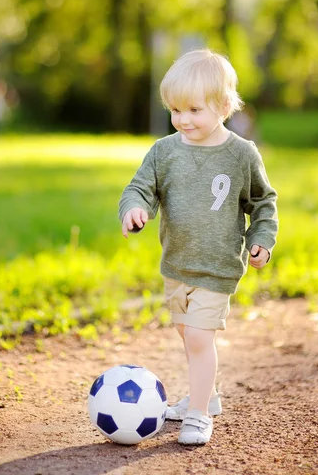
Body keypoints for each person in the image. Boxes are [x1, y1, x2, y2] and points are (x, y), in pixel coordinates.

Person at [118, 48, 278, 446]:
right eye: (175, 110)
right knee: (185, 333)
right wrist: (134, 207)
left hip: (217, 267)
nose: (182, 120)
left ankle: (199, 413)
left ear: (224, 106)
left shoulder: (242, 154)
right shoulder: (165, 152)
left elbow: (263, 203)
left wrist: (261, 239)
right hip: (177, 265)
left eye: (193, 110)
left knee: (198, 339)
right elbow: (139, 187)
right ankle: (208, 393)